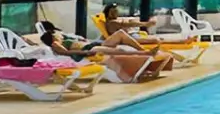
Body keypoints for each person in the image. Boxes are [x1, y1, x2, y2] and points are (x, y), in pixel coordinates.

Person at [40, 21, 173, 80]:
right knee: (119, 50)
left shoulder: (63, 38)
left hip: (92, 45)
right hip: (90, 50)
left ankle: (143, 49)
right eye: (55, 34)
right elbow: (66, 53)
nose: (59, 34)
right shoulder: (56, 44)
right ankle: (145, 53)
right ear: (52, 37)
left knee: (121, 34)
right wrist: (86, 53)